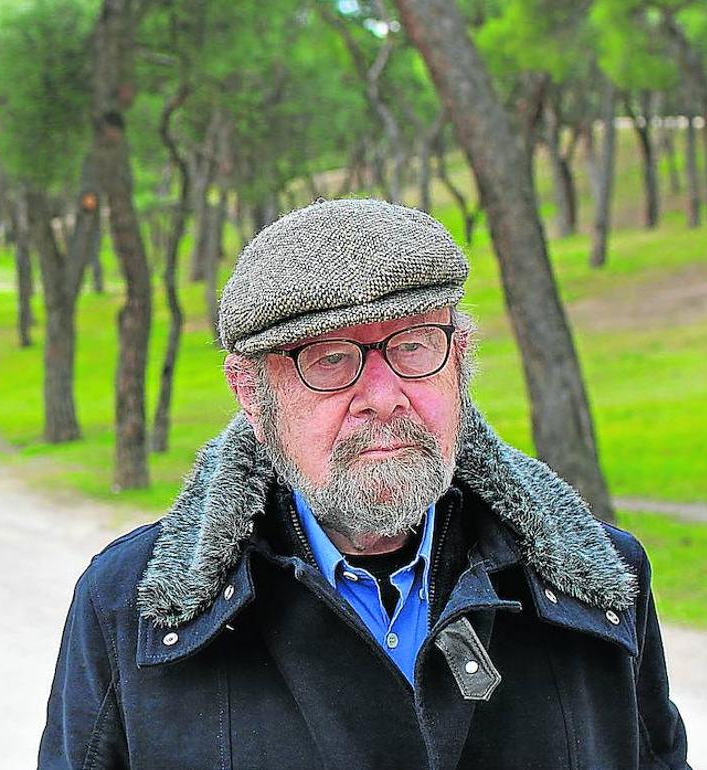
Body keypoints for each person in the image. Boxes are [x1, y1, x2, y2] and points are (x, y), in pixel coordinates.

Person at [37, 198, 689, 769]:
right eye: (329, 359)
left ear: (458, 361)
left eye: (411, 346)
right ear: (252, 394)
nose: (384, 397)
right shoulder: (130, 608)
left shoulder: (599, 582)